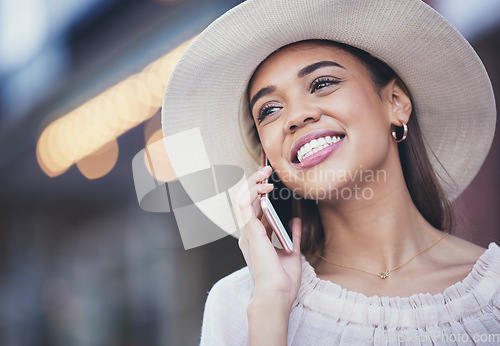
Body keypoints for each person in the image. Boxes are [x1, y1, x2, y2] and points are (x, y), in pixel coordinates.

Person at [161, 0, 499, 344]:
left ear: (395, 101)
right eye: (270, 110)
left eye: (322, 83)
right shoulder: (241, 301)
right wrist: (272, 306)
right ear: (268, 160)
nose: (296, 116)